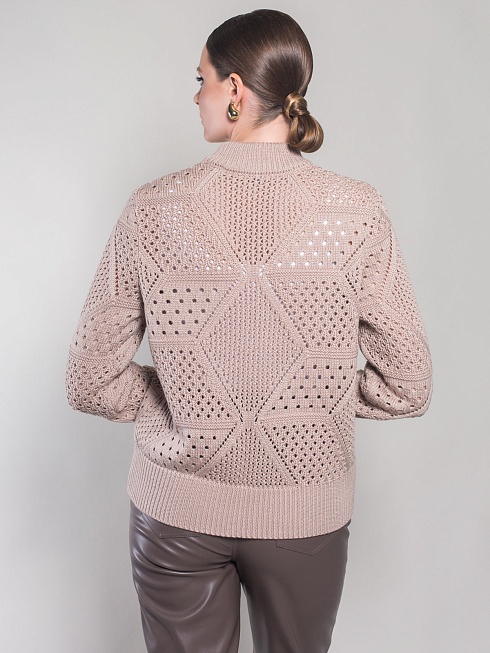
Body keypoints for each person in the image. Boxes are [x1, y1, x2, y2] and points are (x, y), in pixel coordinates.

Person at [66, 9, 432, 653]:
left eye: (201, 79)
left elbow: (89, 380)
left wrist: (183, 404)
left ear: (234, 89)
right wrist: (307, 405)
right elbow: (409, 385)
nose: (196, 96)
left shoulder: (153, 208)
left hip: (177, 512)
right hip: (305, 513)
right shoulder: (357, 212)